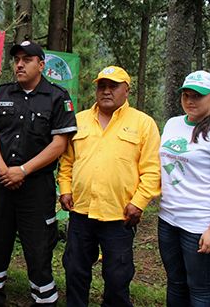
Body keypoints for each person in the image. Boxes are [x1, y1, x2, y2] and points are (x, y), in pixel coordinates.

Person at [0, 41, 77, 306]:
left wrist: (22, 170)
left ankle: (44, 299)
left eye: (27, 59)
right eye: (16, 60)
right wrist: (2, 168)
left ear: (41, 65)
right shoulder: (4, 93)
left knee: (38, 247)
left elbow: (60, 144)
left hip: (36, 187)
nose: (19, 64)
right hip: (2, 182)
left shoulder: (57, 97)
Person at [57, 65, 161, 307]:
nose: (106, 91)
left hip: (120, 215)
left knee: (117, 276)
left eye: (113, 86)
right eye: (101, 86)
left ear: (127, 90)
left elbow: (152, 170)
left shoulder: (143, 124)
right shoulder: (79, 120)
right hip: (81, 212)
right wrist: (65, 189)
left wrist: (139, 202)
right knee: (75, 270)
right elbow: (67, 161)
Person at [158, 70, 210, 306]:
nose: (190, 101)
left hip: (200, 224)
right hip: (168, 219)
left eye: (198, 96)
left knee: (199, 288)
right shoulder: (172, 124)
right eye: (186, 95)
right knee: (175, 282)